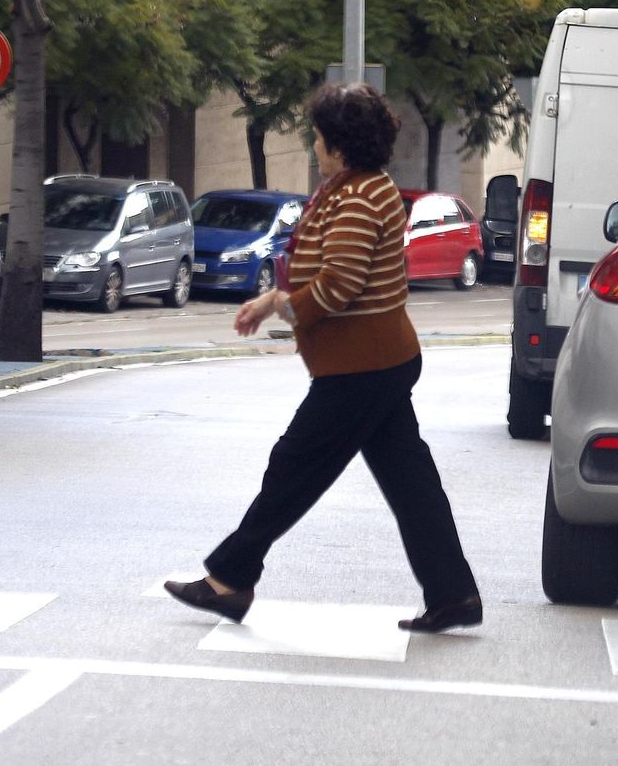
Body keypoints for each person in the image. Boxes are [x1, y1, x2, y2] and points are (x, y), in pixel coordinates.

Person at [165, 83, 482, 633]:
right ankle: (454, 595)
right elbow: (323, 268)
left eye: (318, 138)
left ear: (340, 144)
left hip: (363, 367)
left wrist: (281, 305)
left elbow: (339, 284)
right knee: (410, 483)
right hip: (374, 361)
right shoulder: (351, 189)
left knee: (293, 468)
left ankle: (230, 578)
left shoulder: (361, 198)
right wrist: (273, 298)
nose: (314, 147)